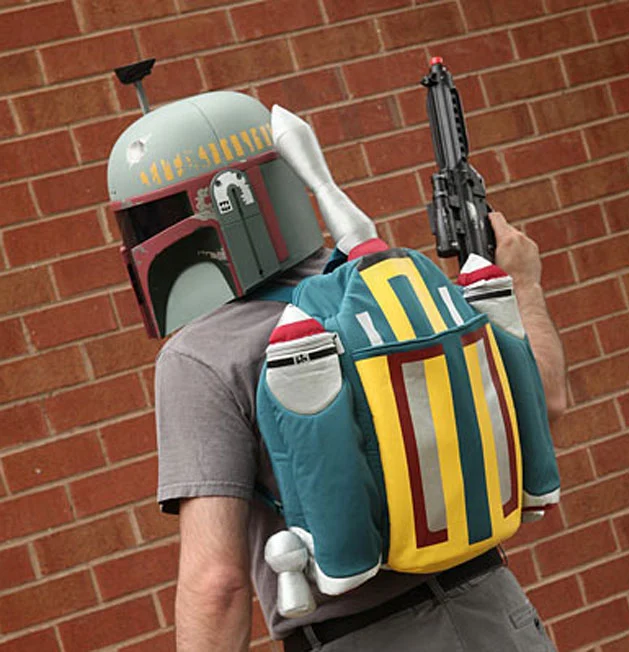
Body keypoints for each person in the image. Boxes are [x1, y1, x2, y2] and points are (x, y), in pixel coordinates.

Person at [155, 209, 567, 652]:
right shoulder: (396, 282)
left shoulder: (201, 355)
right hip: (498, 612)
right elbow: (548, 401)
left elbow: (217, 585)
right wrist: (524, 285)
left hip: (362, 637)